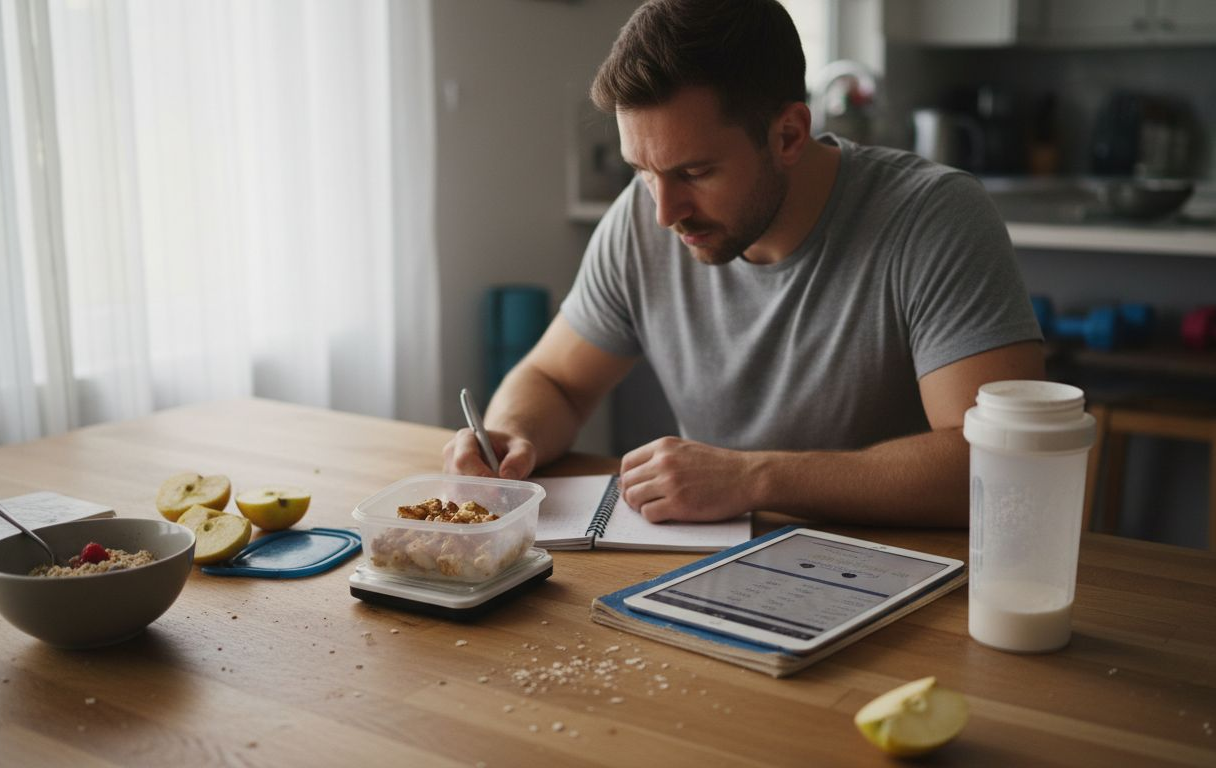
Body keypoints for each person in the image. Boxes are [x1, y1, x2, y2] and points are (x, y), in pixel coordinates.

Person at [442, 0, 1043, 526]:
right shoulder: (638, 218)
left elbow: (998, 462)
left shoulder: (933, 217)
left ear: (787, 135)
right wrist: (513, 436)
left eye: (695, 172)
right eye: (643, 172)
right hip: (718, 566)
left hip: (915, 588)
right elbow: (556, 382)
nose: (664, 212)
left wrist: (755, 478)